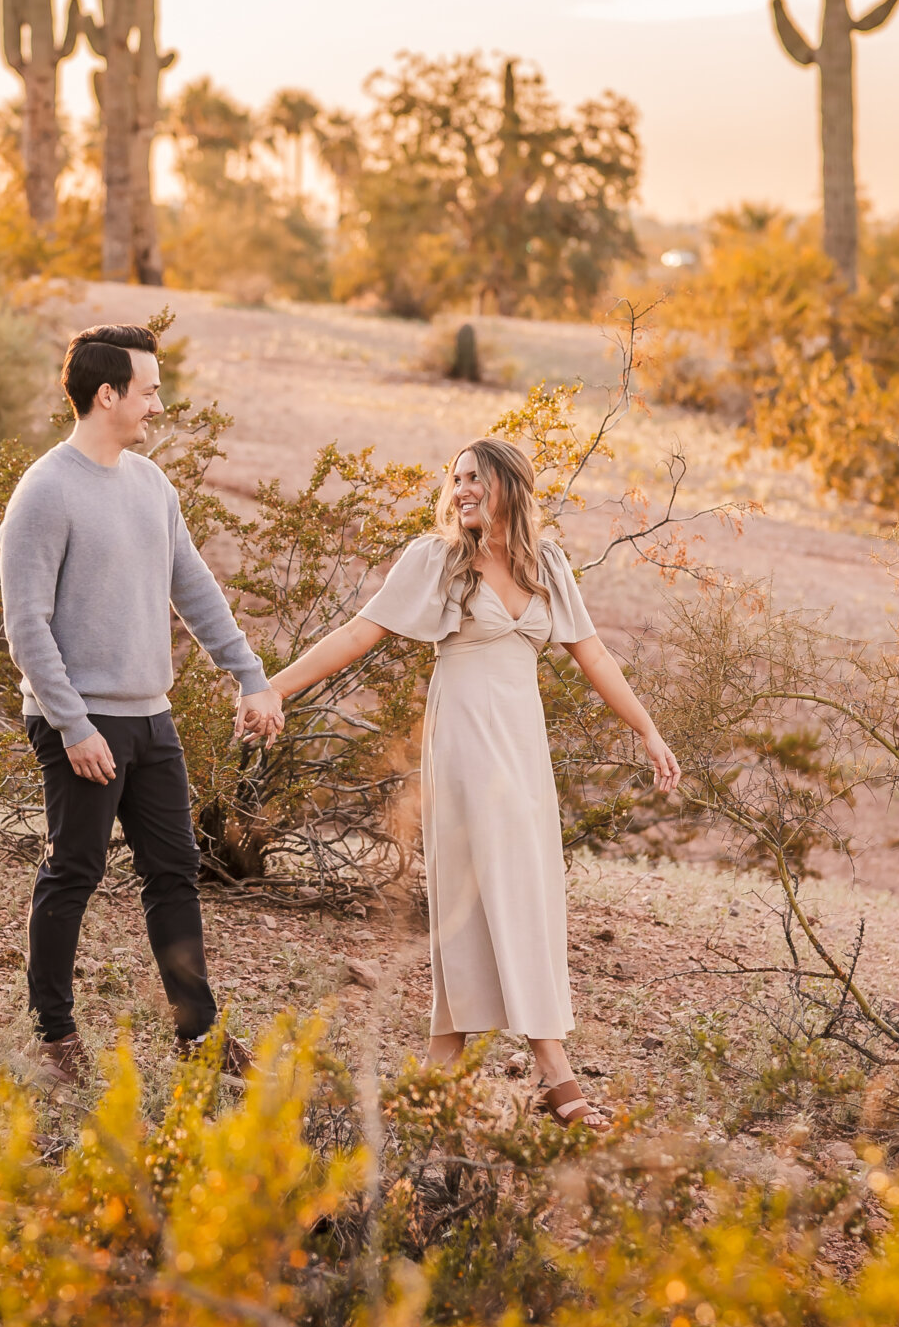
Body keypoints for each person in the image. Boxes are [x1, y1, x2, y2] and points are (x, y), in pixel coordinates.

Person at [266, 437, 679, 1129]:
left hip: (522, 752)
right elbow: (359, 633)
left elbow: (593, 650)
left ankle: (440, 1067)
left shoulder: (546, 564)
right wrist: (273, 687)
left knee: (518, 892)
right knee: (486, 887)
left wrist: (646, 727)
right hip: (463, 750)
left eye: (474, 479)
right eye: (455, 479)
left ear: (508, 487)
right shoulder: (436, 561)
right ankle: (555, 1069)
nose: (460, 490)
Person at [0, 323, 285, 1087]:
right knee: (75, 870)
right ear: (107, 394)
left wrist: (250, 675)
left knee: (174, 872)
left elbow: (194, 588)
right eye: (150, 389)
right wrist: (72, 724)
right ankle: (51, 1035)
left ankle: (199, 1034)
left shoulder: (152, 485)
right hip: (80, 720)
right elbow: (25, 626)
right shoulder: (44, 490)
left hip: (150, 717)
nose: (159, 403)